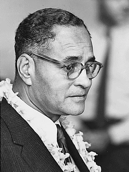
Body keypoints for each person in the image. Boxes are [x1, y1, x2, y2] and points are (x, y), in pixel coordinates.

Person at [0, 8, 103, 172]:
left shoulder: (62, 133)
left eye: (89, 66)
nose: (86, 82)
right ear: (26, 69)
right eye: (70, 66)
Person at [69, 0, 129, 172]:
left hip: (121, 142)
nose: (125, 5)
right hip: (78, 133)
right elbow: (62, 92)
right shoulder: (80, 42)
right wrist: (75, 129)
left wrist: (112, 136)